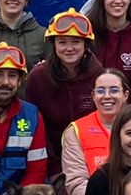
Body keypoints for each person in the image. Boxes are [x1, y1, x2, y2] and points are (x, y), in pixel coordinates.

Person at [0, 45, 49, 195]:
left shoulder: (32, 116)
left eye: (12, 75)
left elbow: (37, 170)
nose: (5, 82)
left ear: (20, 81)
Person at [59, 68, 130, 195]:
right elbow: (75, 184)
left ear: (125, 95)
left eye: (114, 90)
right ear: (93, 96)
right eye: (100, 91)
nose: (107, 96)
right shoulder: (76, 131)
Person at [24, 10, 100, 139]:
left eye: (76, 41)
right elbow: (32, 124)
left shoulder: (100, 78)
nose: (69, 48)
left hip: (90, 153)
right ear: (53, 45)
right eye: (62, 42)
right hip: (49, 155)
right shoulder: (38, 78)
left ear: (86, 44)